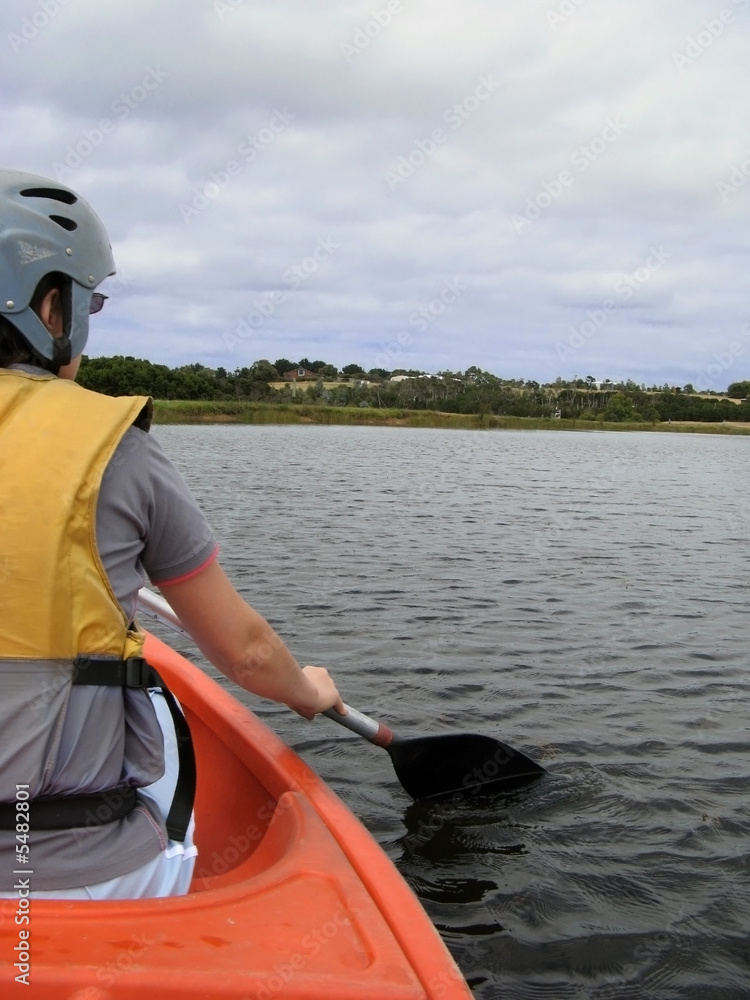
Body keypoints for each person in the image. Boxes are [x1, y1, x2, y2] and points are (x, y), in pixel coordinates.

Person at [0, 168, 344, 899]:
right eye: (86, 302)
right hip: (70, 866)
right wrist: (307, 692)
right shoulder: (115, 449)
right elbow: (248, 653)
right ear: (49, 306)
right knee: (161, 708)